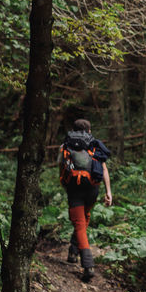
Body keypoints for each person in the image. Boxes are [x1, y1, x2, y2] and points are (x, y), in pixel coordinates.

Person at [58, 118, 112, 282]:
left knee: (80, 225)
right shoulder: (94, 145)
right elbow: (103, 169)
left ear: (73, 130)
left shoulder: (65, 146)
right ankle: (73, 251)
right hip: (92, 189)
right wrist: (108, 192)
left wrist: (65, 184)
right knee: (84, 219)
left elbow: (61, 167)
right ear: (89, 131)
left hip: (74, 189)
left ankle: (88, 265)